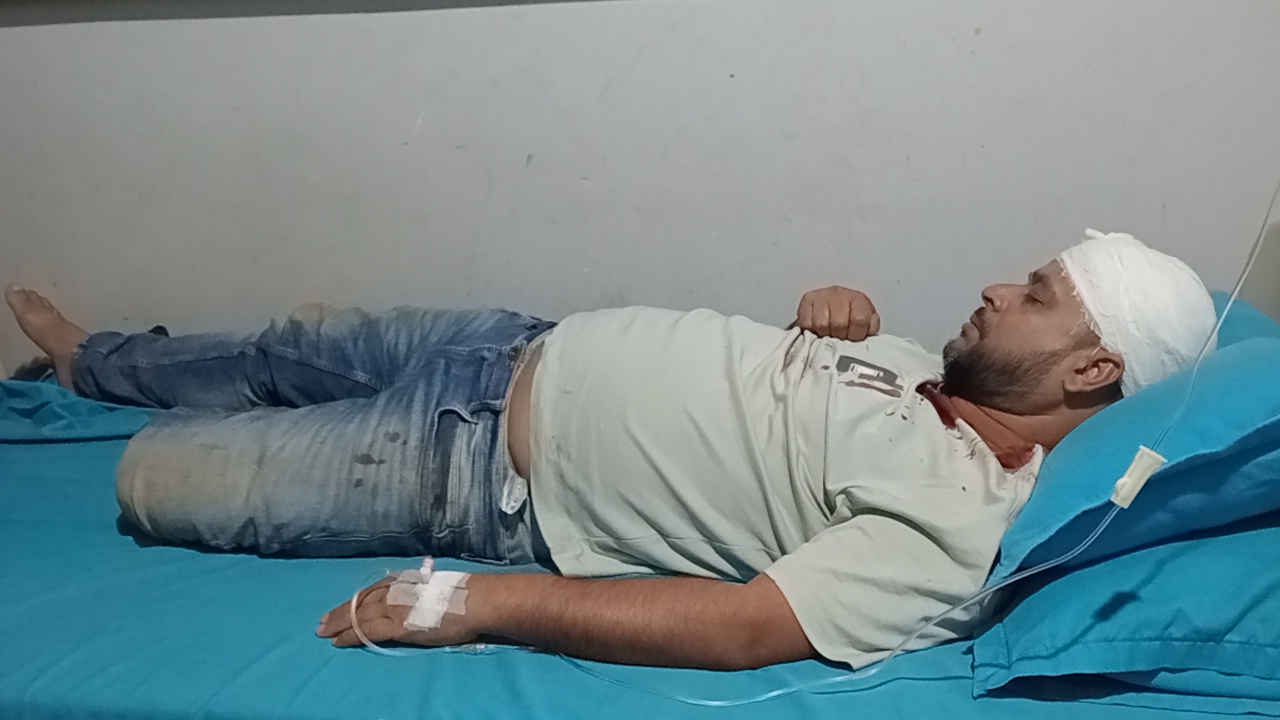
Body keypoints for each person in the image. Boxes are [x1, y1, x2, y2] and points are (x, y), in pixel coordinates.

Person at [4, 229, 1217, 671]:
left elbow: (742, 627)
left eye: (1034, 294)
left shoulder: (961, 525)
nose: (997, 287)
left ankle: (107, 397)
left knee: (153, 482)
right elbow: (763, 409)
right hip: (511, 339)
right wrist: (830, 315)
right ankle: (88, 361)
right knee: (279, 346)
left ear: (1090, 372)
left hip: (463, 462)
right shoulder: (927, 366)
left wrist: (478, 603)